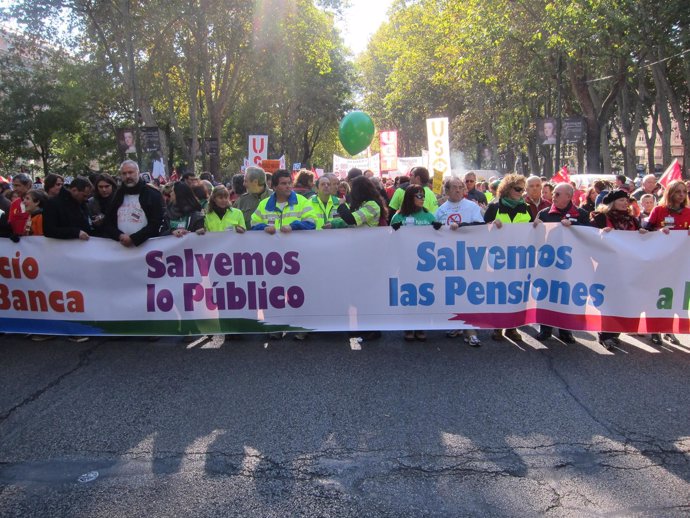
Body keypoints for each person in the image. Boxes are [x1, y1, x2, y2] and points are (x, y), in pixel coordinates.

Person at [590, 190, 649, 350]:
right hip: (608, 266)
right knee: (609, 299)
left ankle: (615, 333)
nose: (625, 203)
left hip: (627, 267)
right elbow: (589, 236)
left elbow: (639, 240)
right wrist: (601, 233)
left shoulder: (632, 220)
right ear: (612, 202)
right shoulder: (601, 217)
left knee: (623, 299)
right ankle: (605, 334)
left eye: (626, 200)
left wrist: (643, 234)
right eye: (622, 200)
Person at [533, 182, 590, 344]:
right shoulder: (544, 213)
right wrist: (535, 226)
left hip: (571, 264)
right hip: (549, 263)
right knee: (547, 294)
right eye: (554, 193)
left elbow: (590, 234)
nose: (553, 196)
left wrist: (575, 225)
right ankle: (545, 329)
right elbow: (535, 237)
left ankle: (566, 329)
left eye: (558, 194)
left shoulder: (581, 214)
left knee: (566, 296)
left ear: (569, 197)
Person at [435, 177, 485, 347]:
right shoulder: (440, 211)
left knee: (468, 292)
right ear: (446, 191)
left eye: (460, 187)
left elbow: (480, 227)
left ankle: (470, 330)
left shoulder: (472, 207)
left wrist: (461, 226)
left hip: (469, 257)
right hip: (448, 258)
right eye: (454, 187)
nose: (458, 190)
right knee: (453, 292)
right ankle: (457, 324)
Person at [484, 174, 533, 342]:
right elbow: (480, 233)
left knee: (516, 293)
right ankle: (498, 326)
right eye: (518, 189)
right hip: (498, 258)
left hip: (519, 258)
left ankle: (513, 327)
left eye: (523, 189)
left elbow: (533, 230)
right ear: (507, 189)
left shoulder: (526, 208)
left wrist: (538, 226)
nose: (521, 192)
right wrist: (490, 226)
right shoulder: (494, 207)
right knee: (499, 292)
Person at [103, 160, 165, 248]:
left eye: (130, 172)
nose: (127, 176)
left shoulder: (152, 194)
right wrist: (119, 235)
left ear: (138, 172)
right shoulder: (117, 195)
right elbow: (108, 222)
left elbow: (156, 222)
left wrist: (134, 238)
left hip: (147, 247)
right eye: (124, 173)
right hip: (121, 248)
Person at [250, 169, 315, 233]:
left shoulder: (303, 202)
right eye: (283, 183)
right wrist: (264, 228)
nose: (288, 186)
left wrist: (292, 227)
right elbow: (254, 224)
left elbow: (311, 223)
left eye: (289, 183)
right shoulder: (263, 204)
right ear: (275, 187)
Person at [43, 176, 94, 240]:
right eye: (84, 196)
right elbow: (49, 230)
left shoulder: (82, 203)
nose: (86, 199)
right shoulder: (53, 204)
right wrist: (76, 232)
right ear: (74, 190)